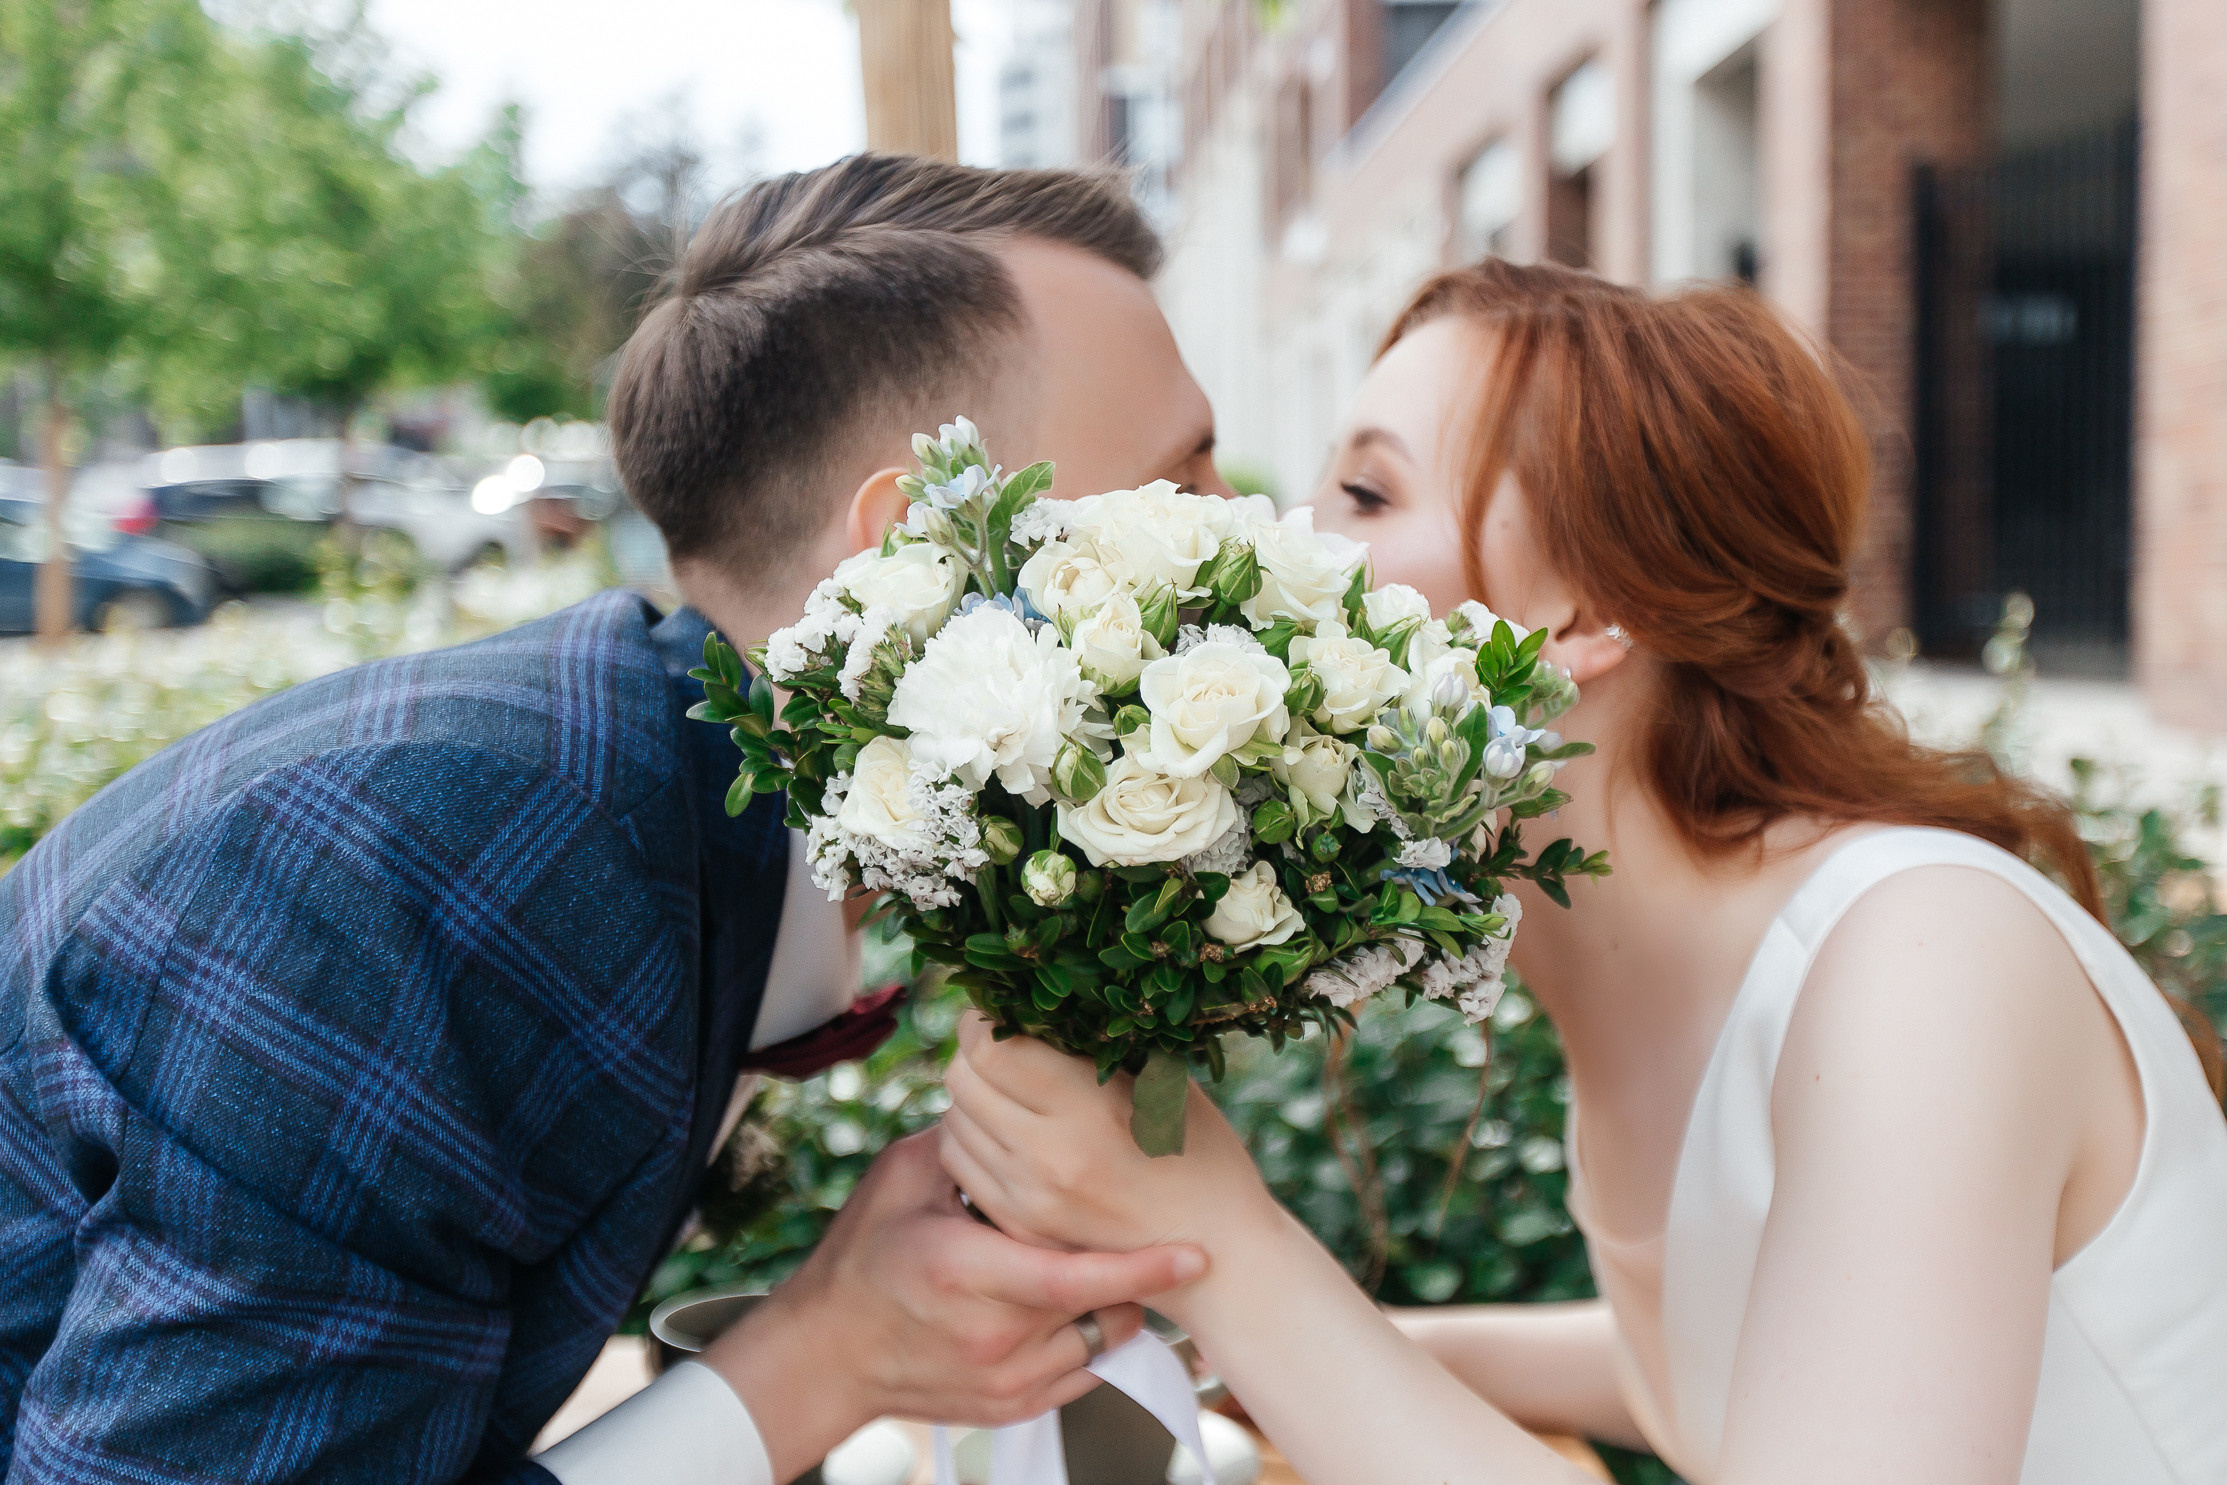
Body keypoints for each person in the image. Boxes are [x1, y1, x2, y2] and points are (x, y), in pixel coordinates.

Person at [0, 153, 1223, 1485]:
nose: (1251, 550)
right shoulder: (449, 864)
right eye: (1182, 497)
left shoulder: (664, 802)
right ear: (917, 559)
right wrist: (823, 1355)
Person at [938, 257, 2227, 1485]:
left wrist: (1220, 1245)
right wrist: (1328, 1354)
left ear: (1589, 614)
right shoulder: (1649, 968)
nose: (1276, 544)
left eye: (1368, 497)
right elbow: (1736, 1358)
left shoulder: (1924, 962)